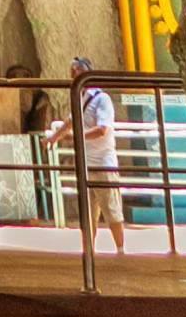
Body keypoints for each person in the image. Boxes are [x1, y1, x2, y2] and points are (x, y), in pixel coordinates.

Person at [50, 55, 129, 256]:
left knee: (111, 209)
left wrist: (75, 136)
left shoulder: (102, 99)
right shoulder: (80, 98)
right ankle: (89, 251)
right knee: (88, 212)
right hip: (86, 163)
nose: (74, 75)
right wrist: (54, 138)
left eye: (78, 71)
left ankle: (121, 250)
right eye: (72, 72)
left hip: (103, 163)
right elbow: (70, 121)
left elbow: (102, 129)